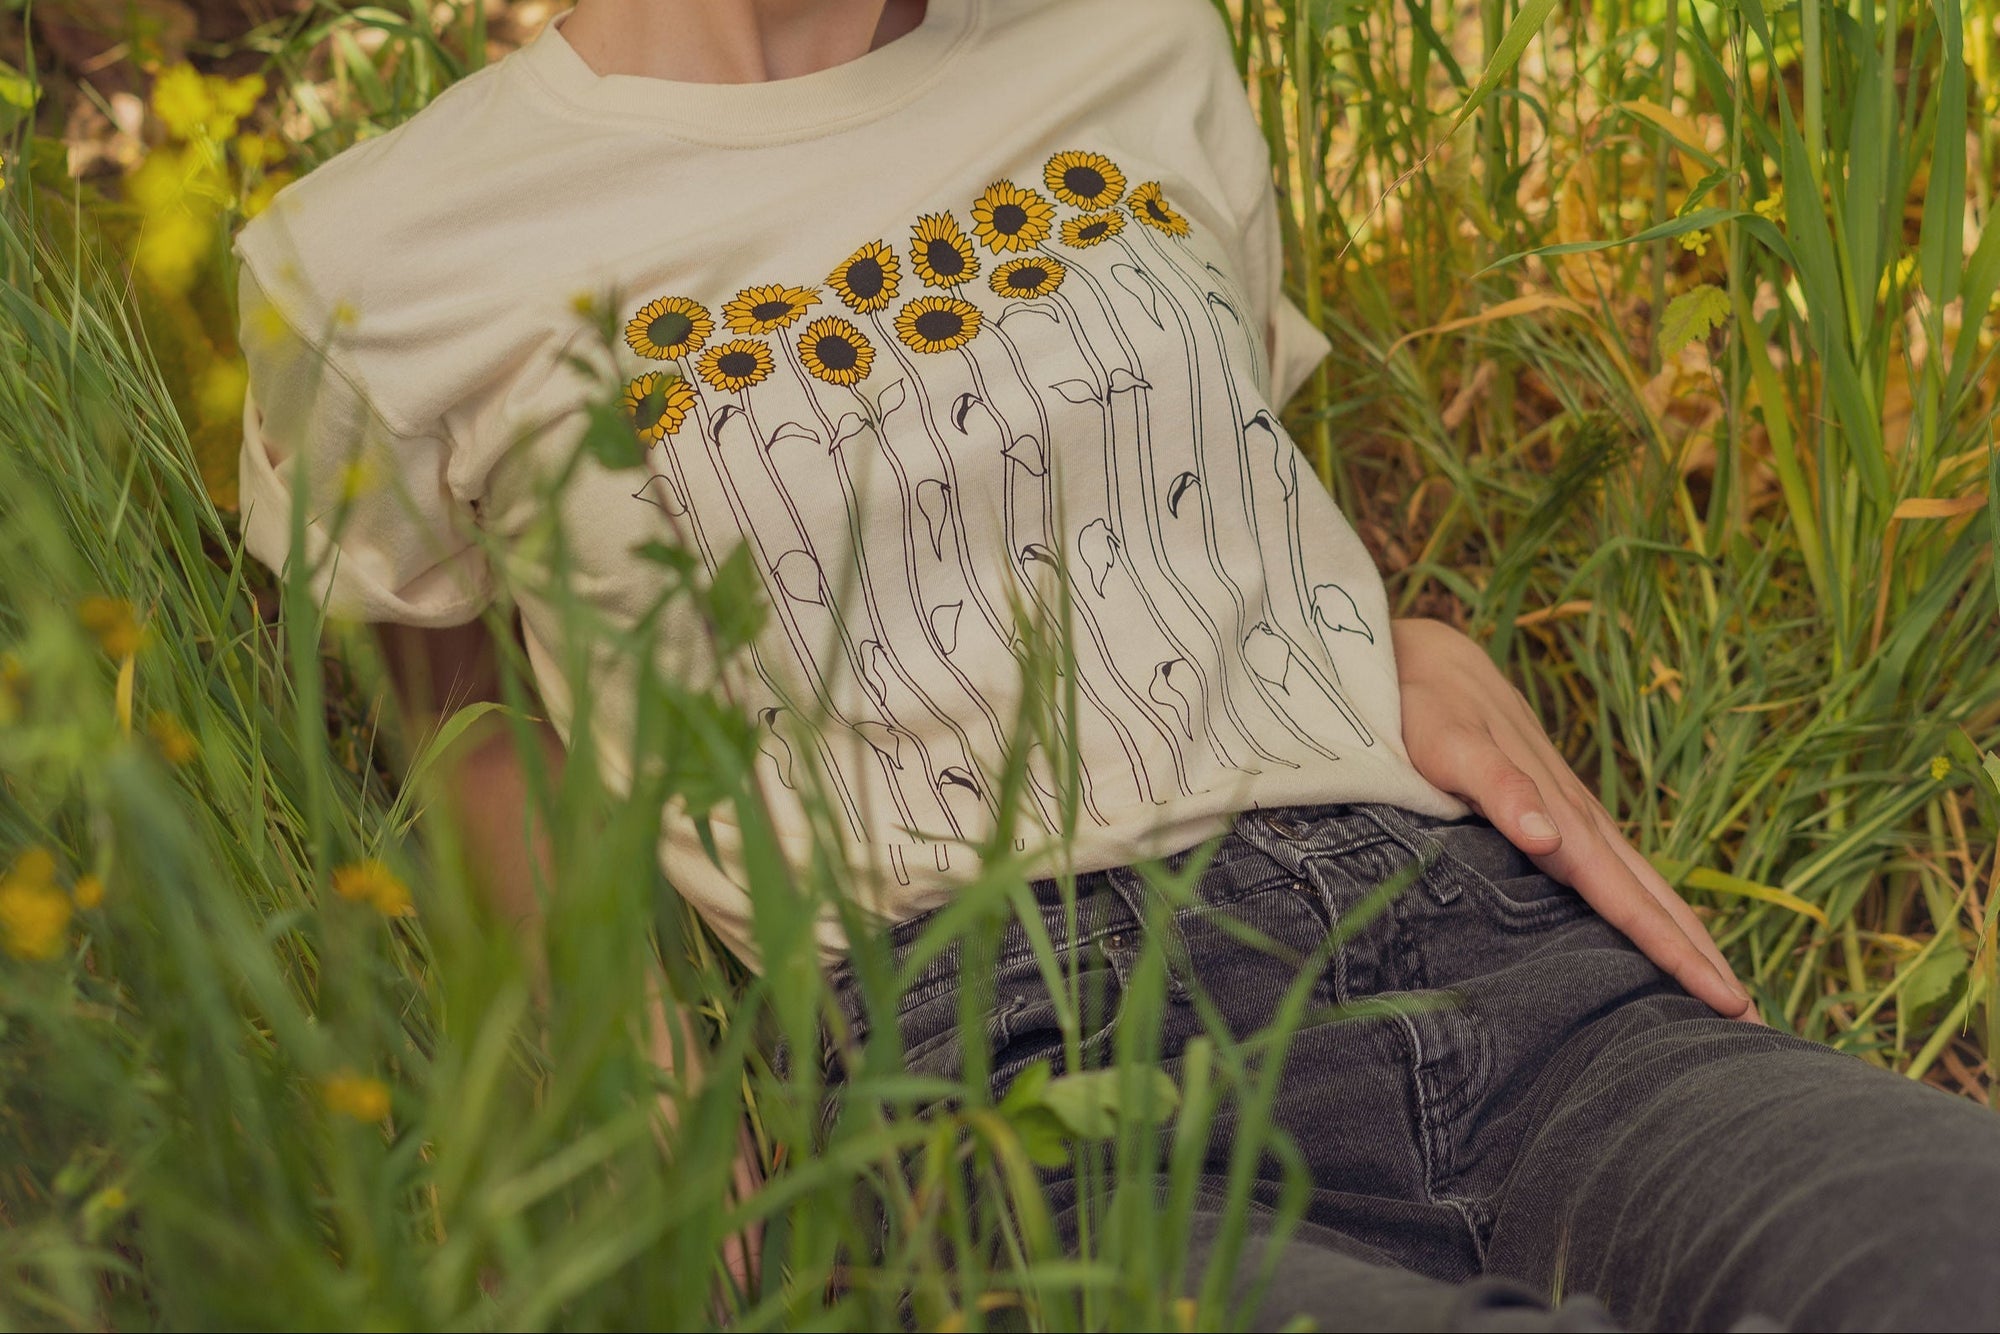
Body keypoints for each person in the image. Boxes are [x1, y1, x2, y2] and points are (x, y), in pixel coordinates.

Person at [231, 2, 2000, 1328]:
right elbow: (447, 701)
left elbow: (1210, 490)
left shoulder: (1134, 38)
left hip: (1478, 957)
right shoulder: (372, 252)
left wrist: (1398, 631)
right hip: (1009, 1076)